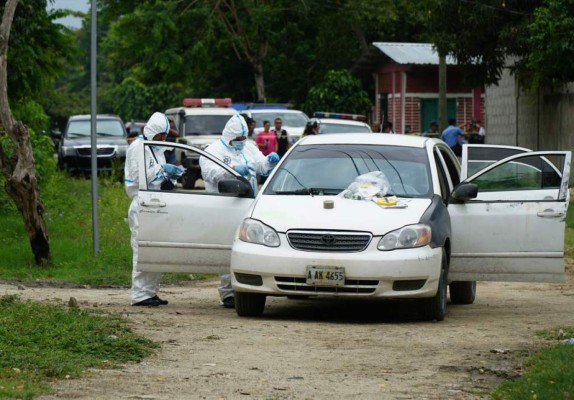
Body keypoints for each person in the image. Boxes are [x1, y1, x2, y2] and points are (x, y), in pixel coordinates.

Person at [199, 113, 280, 308]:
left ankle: (246, 288)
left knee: (247, 248)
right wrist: (234, 169)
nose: (241, 143)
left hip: (247, 204)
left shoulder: (249, 147)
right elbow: (209, 173)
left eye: (243, 139)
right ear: (229, 136)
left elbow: (260, 166)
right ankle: (228, 293)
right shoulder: (213, 150)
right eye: (238, 139)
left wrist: (269, 161)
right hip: (223, 207)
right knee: (228, 249)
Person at [124, 112, 185, 307]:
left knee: (155, 250)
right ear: (153, 132)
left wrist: (171, 176)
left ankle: (150, 292)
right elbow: (138, 176)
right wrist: (162, 170)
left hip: (156, 203)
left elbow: (157, 176)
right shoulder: (137, 148)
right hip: (142, 203)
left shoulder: (154, 148)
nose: (164, 139)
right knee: (142, 249)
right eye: (161, 135)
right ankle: (139, 294)